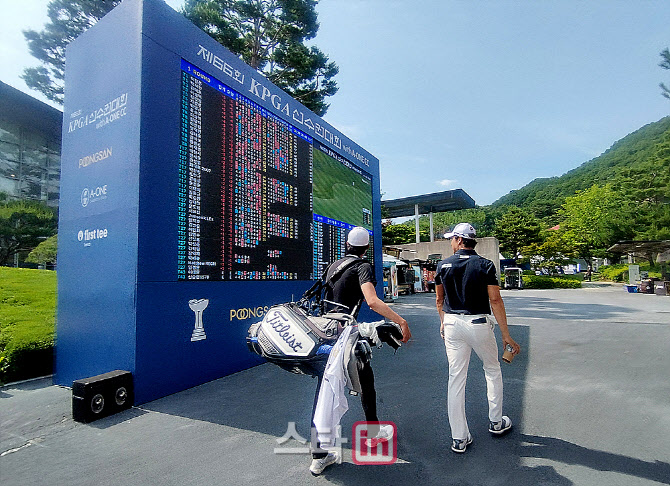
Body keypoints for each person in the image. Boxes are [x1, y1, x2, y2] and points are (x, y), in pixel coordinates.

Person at [309, 226, 412, 475]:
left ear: (346, 244)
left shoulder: (333, 265)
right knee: (366, 383)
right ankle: (373, 434)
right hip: (345, 336)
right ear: (366, 247)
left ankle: (319, 455)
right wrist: (401, 321)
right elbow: (372, 301)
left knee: (325, 391)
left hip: (326, 333)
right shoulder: (362, 266)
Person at [434, 223, 521, 453]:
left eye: (452, 238)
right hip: (479, 324)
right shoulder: (485, 265)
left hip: (452, 324)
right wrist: (506, 335)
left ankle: (459, 438)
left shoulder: (443, 265)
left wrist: (443, 323)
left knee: (456, 378)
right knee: (491, 369)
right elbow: (495, 300)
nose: (451, 242)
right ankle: (496, 422)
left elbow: (439, 300)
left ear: (460, 240)